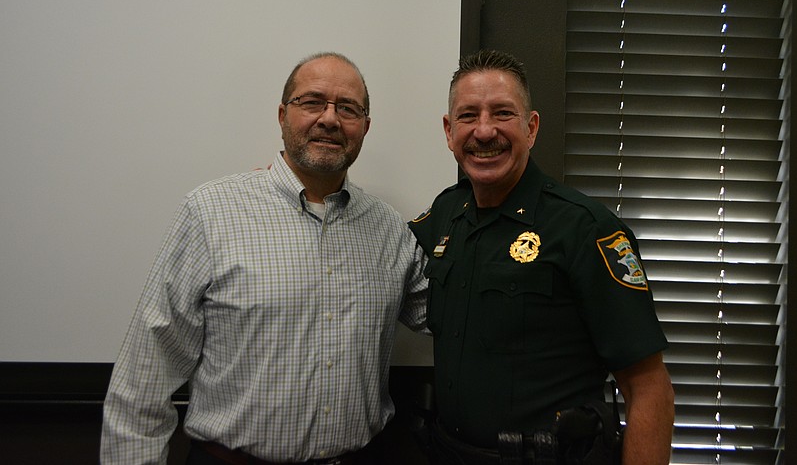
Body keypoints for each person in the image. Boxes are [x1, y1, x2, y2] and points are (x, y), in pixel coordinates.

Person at [101, 52, 429, 465]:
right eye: (312, 102)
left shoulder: (389, 230)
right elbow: (146, 373)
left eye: (348, 108)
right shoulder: (210, 212)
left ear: (365, 126)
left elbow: (448, 317)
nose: (329, 118)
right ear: (282, 115)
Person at [409, 49, 675, 465]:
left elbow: (649, 388)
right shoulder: (445, 213)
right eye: (467, 116)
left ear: (531, 128)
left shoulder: (586, 228)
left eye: (502, 113)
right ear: (448, 131)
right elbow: (378, 250)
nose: (483, 131)